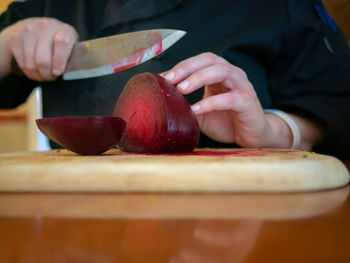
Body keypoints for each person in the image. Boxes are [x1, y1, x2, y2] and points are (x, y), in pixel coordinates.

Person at [0, 0, 349, 157]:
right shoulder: (43, 4)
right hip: (76, 225)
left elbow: (335, 100)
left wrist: (272, 131)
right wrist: (6, 46)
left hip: (232, 222)